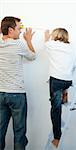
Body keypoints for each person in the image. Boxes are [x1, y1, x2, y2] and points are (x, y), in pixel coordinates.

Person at [0, 16, 36, 150]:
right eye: (19, 28)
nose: (21, 31)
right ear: (10, 30)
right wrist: (28, 40)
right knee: (19, 133)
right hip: (17, 94)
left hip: (1, 94)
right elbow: (33, 56)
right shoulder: (19, 44)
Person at [44, 28, 75, 148]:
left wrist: (46, 35)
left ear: (55, 35)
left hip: (56, 81)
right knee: (61, 82)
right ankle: (65, 94)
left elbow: (46, 42)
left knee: (55, 110)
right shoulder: (70, 47)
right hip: (67, 81)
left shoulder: (51, 44)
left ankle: (57, 138)